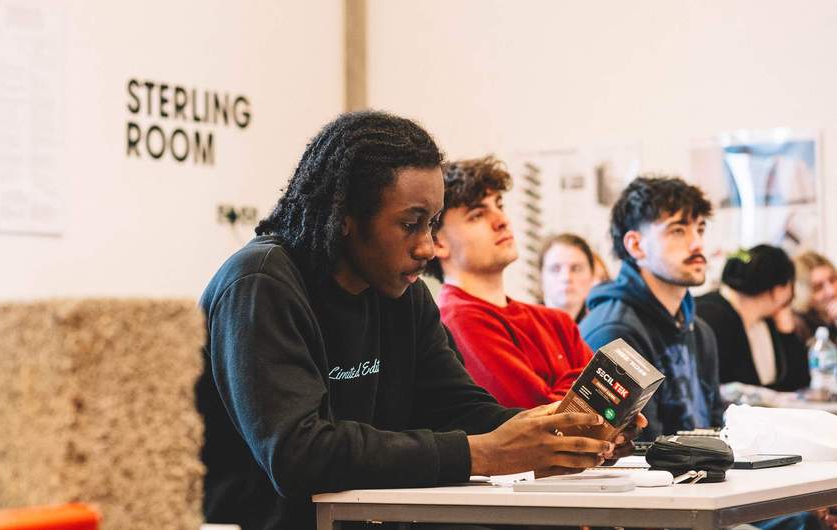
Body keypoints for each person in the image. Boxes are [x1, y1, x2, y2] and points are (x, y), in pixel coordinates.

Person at [195, 112, 641, 530]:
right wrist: (482, 454)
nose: (427, 247)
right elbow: (300, 453)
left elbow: (458, 409)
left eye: (432, 224)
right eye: (410, 225)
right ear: (344, 217)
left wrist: (561, 432)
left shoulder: (402, 294)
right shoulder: (260, 285)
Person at [425, 156, 592, 408]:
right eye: (477, 214)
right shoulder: (457, 320)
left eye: (499, 205)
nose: (502, 220)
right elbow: (536, 419)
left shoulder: (557, 322)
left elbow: (617, 401)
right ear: (437, 243)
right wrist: (587, 386)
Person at [578, 175, 725, 441]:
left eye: (700, 229)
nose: (697, 244)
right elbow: (636, 452)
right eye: (678, 230)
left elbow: (717, 428)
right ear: (636, 245)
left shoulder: (700, 331)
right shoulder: (613, 333)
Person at [695, 245, 809, 391]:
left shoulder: (765, 320)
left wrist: (786, 329)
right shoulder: (712, 317)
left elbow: (797, 382)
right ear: (780, 290)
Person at [538, 233, 600, 323]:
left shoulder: (601, 326)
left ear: (592, 275)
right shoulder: (524, 330)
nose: (566, 278)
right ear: (541, 277)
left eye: (576, 268)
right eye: (555, 269)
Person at [793, 250, 837, 344]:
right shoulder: (800, 327)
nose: (831, 291)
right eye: (818, 287)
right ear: (803, 295)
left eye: (833, 280)